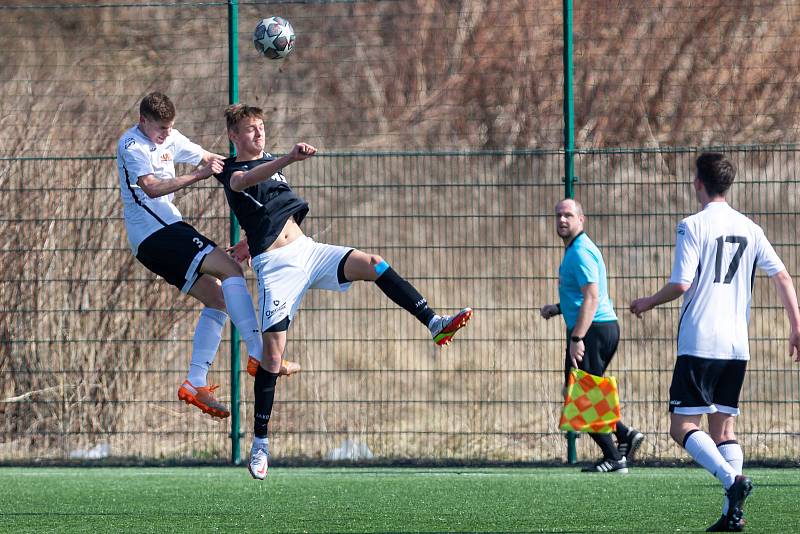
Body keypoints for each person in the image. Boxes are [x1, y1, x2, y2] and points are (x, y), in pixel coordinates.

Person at [216, 103, 473, 480]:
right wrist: (288, 158)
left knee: (374, 264)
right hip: (278, 268)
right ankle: (260, 444)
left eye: (261, 127)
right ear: (233, 137)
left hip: (309, 251)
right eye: (250, 129)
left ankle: (434, 321)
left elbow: (266, 210)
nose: (259, 133)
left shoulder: (270, 163)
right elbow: (244, 184)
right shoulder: (233, 169)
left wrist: (245, 241)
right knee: (272, 359)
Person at [630, 153, 800, 532]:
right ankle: (731, 514)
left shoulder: (692, 225)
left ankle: (731, 481)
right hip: (737, 345)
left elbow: (682, 283)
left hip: (700, 342)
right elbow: (783, 276)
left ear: (698, 183)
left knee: (681, 426)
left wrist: (648, 301)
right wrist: (796, 326)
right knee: (724, 430)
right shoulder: (750, 227)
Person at [115, 92, 297, 421]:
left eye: (170, 129)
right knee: (230, 270)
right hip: (156, 234)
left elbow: (213, 161)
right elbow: (153, 188)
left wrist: (255, 169)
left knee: (219, 300)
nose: (166, 135)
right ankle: (258, 354)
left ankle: (194, 382)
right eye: (160, 129)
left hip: (163, 236)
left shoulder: (170, 136)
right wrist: (199, 174)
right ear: (143, 122)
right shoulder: (131, 146)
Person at [540, 198, 644, 473]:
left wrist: (577, 339)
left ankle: (614, 456)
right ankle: (624, 435)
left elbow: (592, 297)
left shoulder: (580, 252)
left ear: (581, 220)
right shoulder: (576, 249)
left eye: (568, 215)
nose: (563, 220)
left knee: (578, 394)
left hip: (594, 331)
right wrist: (558, 308)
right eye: (559, 215)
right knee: (585, 392)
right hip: (597, 328)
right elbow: (580, 296)